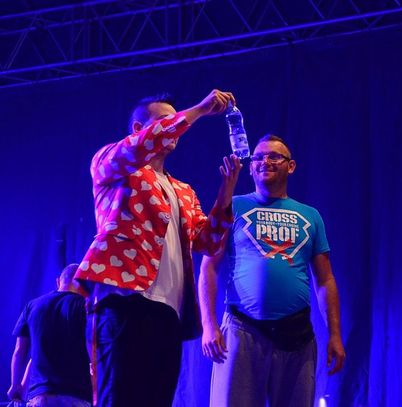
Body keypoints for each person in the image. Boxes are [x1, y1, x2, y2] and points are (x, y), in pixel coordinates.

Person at [74, 89, 241, 407]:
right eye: (165, 120)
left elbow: (208, 242)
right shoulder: (113, 163)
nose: (175, 125)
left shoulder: (183, 190)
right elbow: (140, 146)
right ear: (139, 128)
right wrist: (199, 110)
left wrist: (226, 192)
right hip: (125, 299)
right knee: (119, 397)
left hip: (169, 310)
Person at [199, 134, 346, 407]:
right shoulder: (233, 205)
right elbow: (209, 266)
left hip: (296, 334)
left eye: (274, 156)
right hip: (243, 329)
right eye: (258, 157)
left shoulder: (311, 215)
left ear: (291, 166)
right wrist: (209, 325)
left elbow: (325, 280)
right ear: (251, 167)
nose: (265, 161)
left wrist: (335, 334)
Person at [8, 263, 92, 407]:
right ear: (83, 282)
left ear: (58, 281)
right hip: (77, 396)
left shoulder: (32, 306)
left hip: (40, 397)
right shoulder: (85, 306)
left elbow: (19, 351)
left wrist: (15, 385)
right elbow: (93, 346)